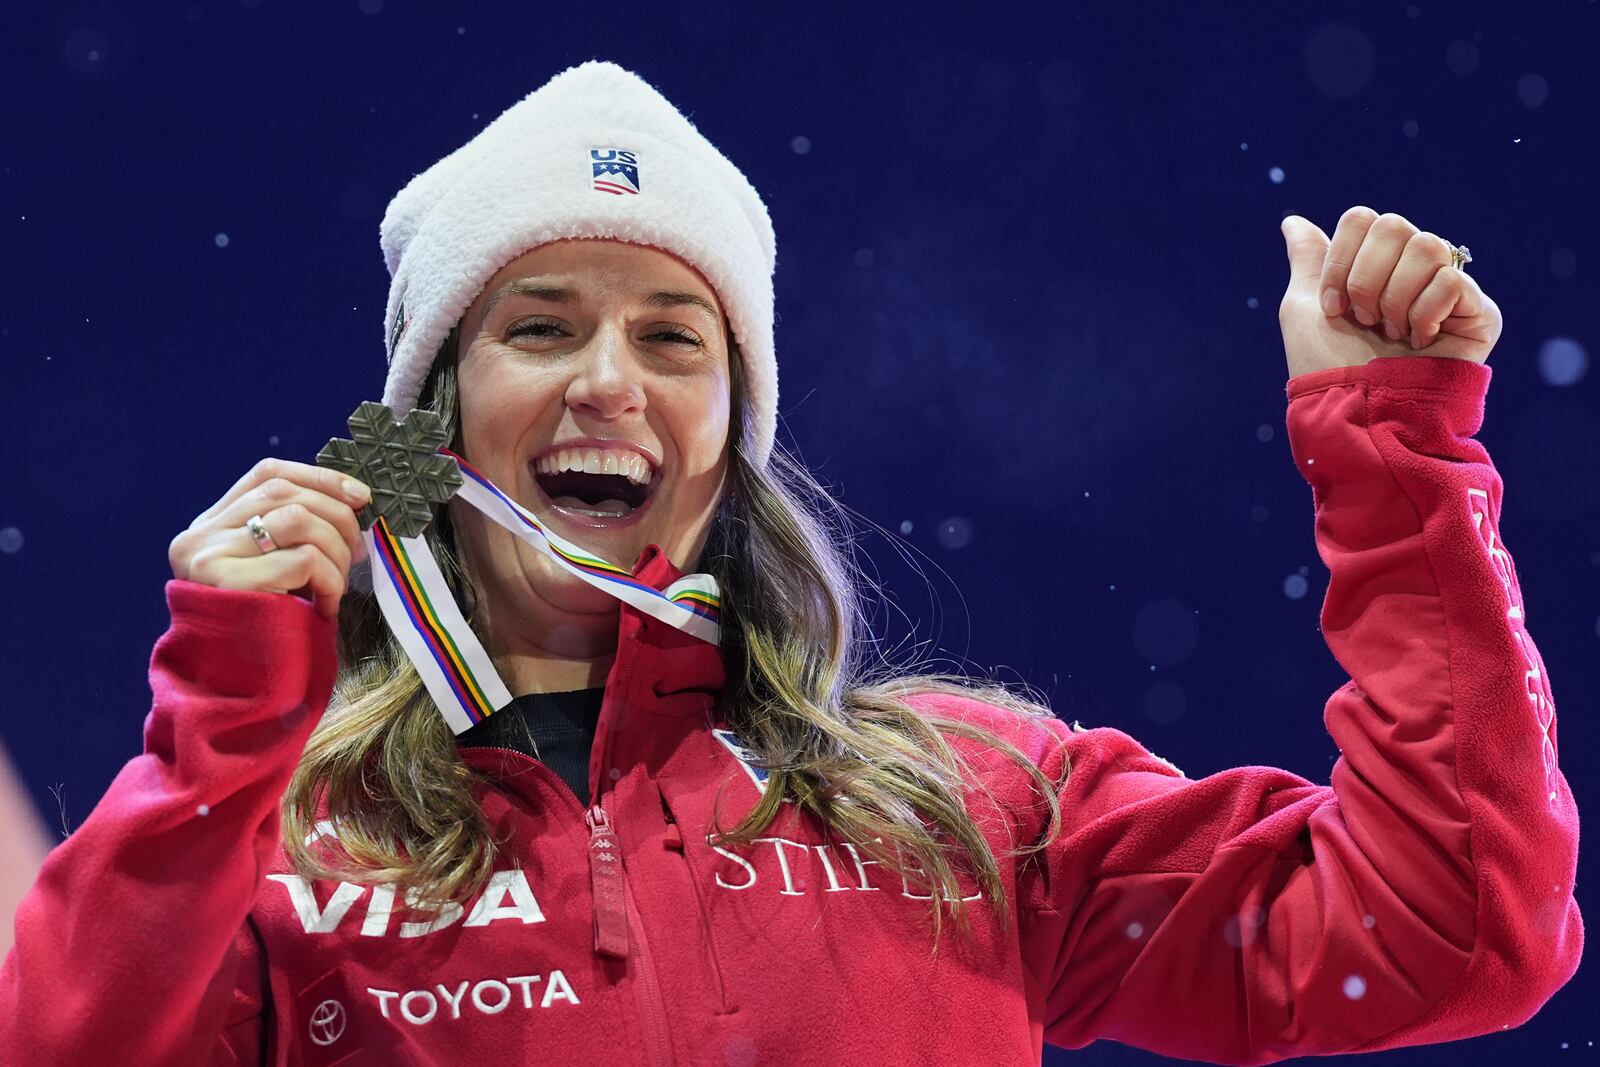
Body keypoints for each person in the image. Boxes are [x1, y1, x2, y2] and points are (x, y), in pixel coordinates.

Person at [0, 60, 1582, 1066]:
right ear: (432, 429)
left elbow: (1457, 936)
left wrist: (1394, 458)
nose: (608, 378)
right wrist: (223, 724)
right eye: (538, 328)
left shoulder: (970, 804)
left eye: (672, 337)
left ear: (730, 429)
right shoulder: (280, 851)